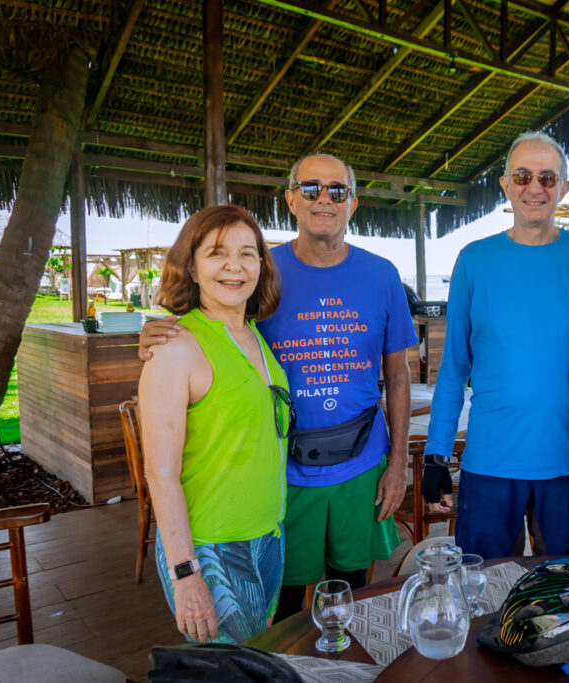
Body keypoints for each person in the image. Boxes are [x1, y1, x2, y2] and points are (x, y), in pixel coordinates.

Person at [140, 153, 417, 621]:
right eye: (310, 189)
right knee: (283, 605)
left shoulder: (382, 274)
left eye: (337, 189)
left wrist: (398, 461)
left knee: (351, 590)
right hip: (284, 475)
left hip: (362, 462)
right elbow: (213, 330)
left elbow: (397, 373)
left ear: (354, 203)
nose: (324, 199)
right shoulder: (264, 272)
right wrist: (158, 335)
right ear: (291, 199)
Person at [422, 131, 569, 559]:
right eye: (523, 175)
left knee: (567, 599)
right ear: (505, 184)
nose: (535, 188)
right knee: (484, 593)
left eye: (547, 178)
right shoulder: (474, 259)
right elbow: (453, 368)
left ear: (563, 189)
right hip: (490, 463)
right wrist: (436, 454)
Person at [139, 205, 287, 643]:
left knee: (258, 658)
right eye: (217, 253)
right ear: (192, 265)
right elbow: (159, 474)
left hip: (269, 534)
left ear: (262, 264)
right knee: (235, 670)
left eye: (248, 253)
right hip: (212, 547)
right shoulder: (175, 346)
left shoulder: (254, 334)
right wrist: (185, 574)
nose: (234, 266)